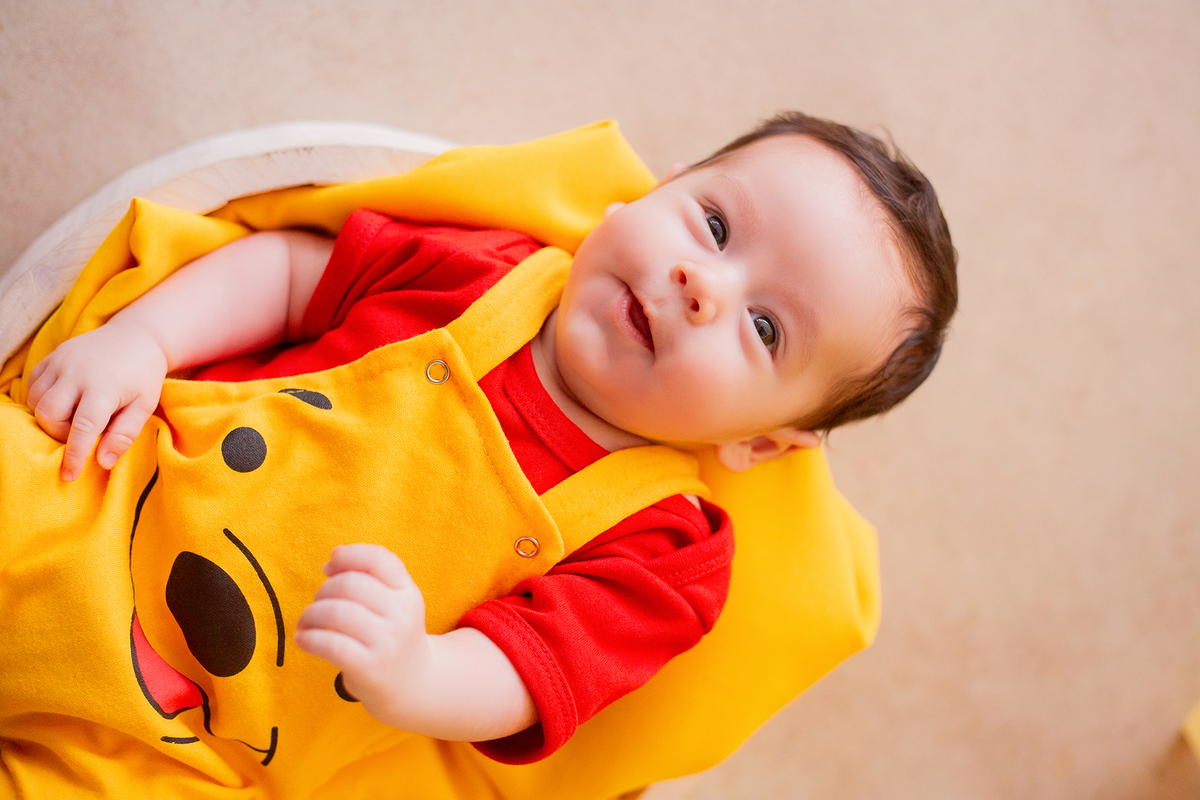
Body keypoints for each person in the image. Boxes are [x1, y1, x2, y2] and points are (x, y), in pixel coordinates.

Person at [15, 112, 956, 771]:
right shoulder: (484, 269)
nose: (704, 286)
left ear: (767, 444)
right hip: (96, 499)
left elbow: (532, 673)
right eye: (711, 225)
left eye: (765, 329)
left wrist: (421, 671)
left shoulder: (670, 548)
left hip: (193, 750)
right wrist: (146, 340)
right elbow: (295, 277)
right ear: (641, 197)